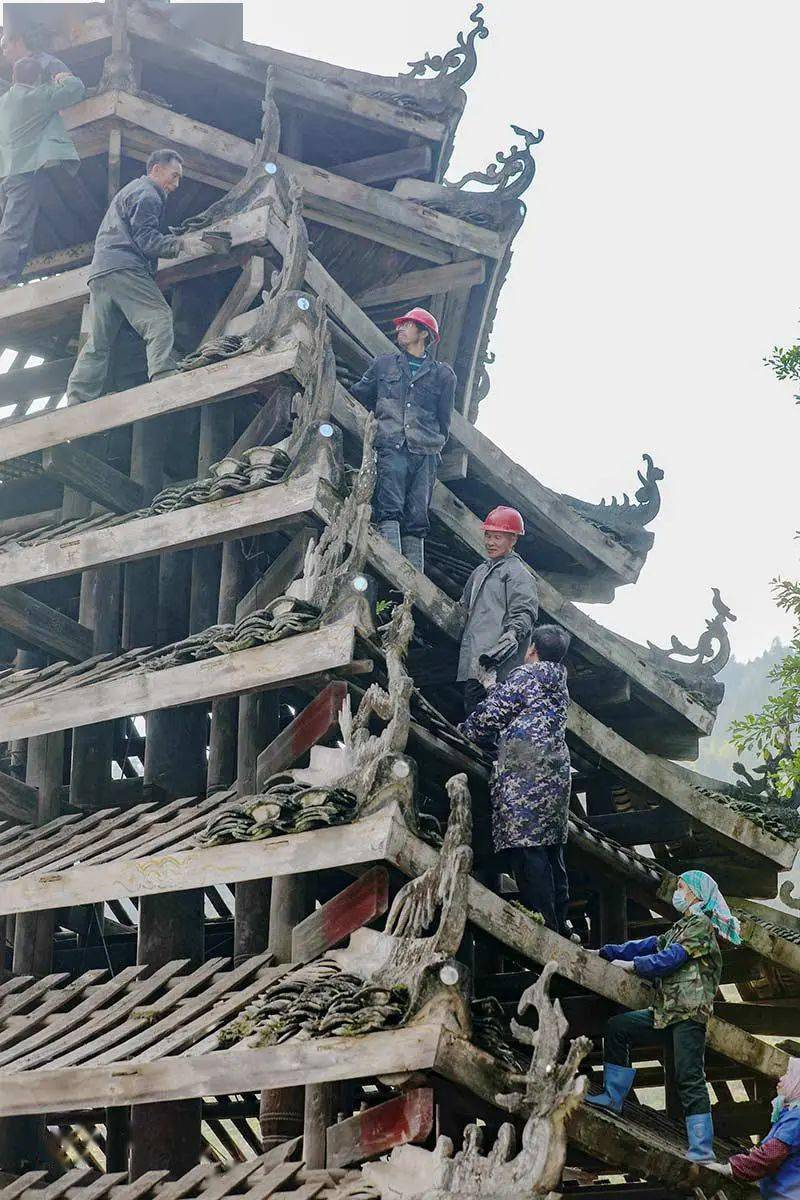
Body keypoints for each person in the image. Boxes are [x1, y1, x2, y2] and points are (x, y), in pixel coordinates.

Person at [585, 870, 742, 1164]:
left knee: (688, 1076)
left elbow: (670, 959)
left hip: (689, 1014)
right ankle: (612, 1097)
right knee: (618, 1027)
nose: (678, 892)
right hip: (666, 1011)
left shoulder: (701, 926)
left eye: (682, 887)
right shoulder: (681, 927)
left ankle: (701, 1149)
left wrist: (633, 967)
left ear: (696, 894)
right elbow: (645, 945)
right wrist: (604, 952)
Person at [65, 148, 206, 404]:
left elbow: (136, 231)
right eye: (173, 176)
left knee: (99, 342)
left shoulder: (130, 191)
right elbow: (147, 240)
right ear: (155, 169)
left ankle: (77, 397)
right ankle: (163, 373)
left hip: (100, 273)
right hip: (125, 268)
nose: (176, 185)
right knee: (159, 317)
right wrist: (184, 245)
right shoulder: (149, 194)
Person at [459, 624, 573, 936]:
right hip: (555, 774)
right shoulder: (558, 683)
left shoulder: (525, 676)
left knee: (527, 849)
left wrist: (464, 731)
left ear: (532, 649)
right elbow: (523, 704)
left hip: (525, 775)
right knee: (552, 848)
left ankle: (544, 924)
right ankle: (561, 921)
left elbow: (491, 716)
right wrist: (494, 686)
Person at [350, 306, 456, 574]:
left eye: (407, 325)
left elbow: (445, 420)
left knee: (417, 517)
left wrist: (433, 443)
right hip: (391, 446)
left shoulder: (443, 375)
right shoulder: (383, 365)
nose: (400, 328)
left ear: (423, 333)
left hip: (426, 451)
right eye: (400, 325)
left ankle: (412, 579)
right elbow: (358, 395)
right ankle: (391, 570)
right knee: (389, 507)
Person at [0, 57, 84, 287]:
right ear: (37, 78)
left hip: (4, 171)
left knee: (8, 225)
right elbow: (76, 90)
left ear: (14, 77)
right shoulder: (37, 97)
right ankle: (4, 279)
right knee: (14, 229)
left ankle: (9, 278)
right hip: (22, 170)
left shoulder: (4, 100)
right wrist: (63, 77)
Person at [458, 506, 539, 717]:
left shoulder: (518, 574)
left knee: (487, 727)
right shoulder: (480, 571)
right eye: (488, 535)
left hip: (496, 669)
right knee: (473, 718)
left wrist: (510, 638)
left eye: (497, 537)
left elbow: (524, 613)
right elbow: (463, 606)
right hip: (473, 664)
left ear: (513, 540)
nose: (490, 542)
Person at [706, 1057, 800, 1195]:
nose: (782, 1078)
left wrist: (733, 1168)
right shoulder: (789, 1111)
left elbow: (772, 1155)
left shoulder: (797, 1118)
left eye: (789, 1075)